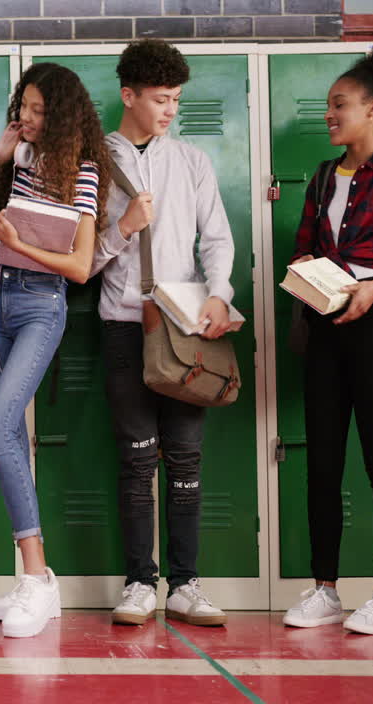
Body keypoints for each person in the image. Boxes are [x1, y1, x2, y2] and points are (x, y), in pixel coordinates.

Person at [281, 49, 373, 636]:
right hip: (325, 327)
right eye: (327, 107)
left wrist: (370, 291)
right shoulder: (322, 176)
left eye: (338, 105)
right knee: (323, 462)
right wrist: (309, 276)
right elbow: (301, 247)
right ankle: (325, 589)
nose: (328, 115)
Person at [92, 39, 235, 628]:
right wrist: (124, 228)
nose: (171, 109)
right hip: (123, 328)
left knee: (186, 458)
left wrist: (221, 294)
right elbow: (84, 260)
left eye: (176, 99)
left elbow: (217, 239)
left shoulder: (192, 161)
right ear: (129, 95)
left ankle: (186, 583)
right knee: (136, 461)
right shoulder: (95, 161)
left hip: (185, 331)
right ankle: (137, 584)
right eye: (160, 99)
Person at [0, 62, 109, 639]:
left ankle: (37, 576)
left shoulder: (82, 172)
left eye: (36, 111)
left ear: (59, 116)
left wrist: (19, 240)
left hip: (39, 304)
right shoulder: (21, 160)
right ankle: (37, 581)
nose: (26, 118)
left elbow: (81, 267)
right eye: (22, 108)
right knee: (6, 435)